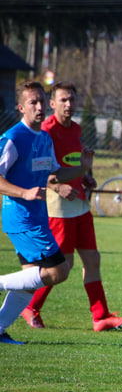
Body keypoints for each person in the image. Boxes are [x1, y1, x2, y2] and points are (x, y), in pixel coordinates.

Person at [18, 82, 122, 332]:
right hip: (58, 207)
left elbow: (71, 165)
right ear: (52, 103)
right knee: (62, 266)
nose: (69, 105)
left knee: (92, 259)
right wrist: (57, 187)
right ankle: (31, 307)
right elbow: (38, 171)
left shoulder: (76, 129)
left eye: (72, 99)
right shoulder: (45, 131)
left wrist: (84, 178)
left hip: (79, 204)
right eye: (63, 100)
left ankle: (100, 317)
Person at [0, 81, 94, 344]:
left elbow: (54, 173)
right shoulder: (13, 138)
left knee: (30, 281)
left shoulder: (43, 138)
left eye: (42, 101)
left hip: (36, 219)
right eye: (33, 102)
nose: (40, 106)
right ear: (21, 107)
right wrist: (24, 192)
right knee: (59, 271)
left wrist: (82, 169)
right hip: (22, 219)